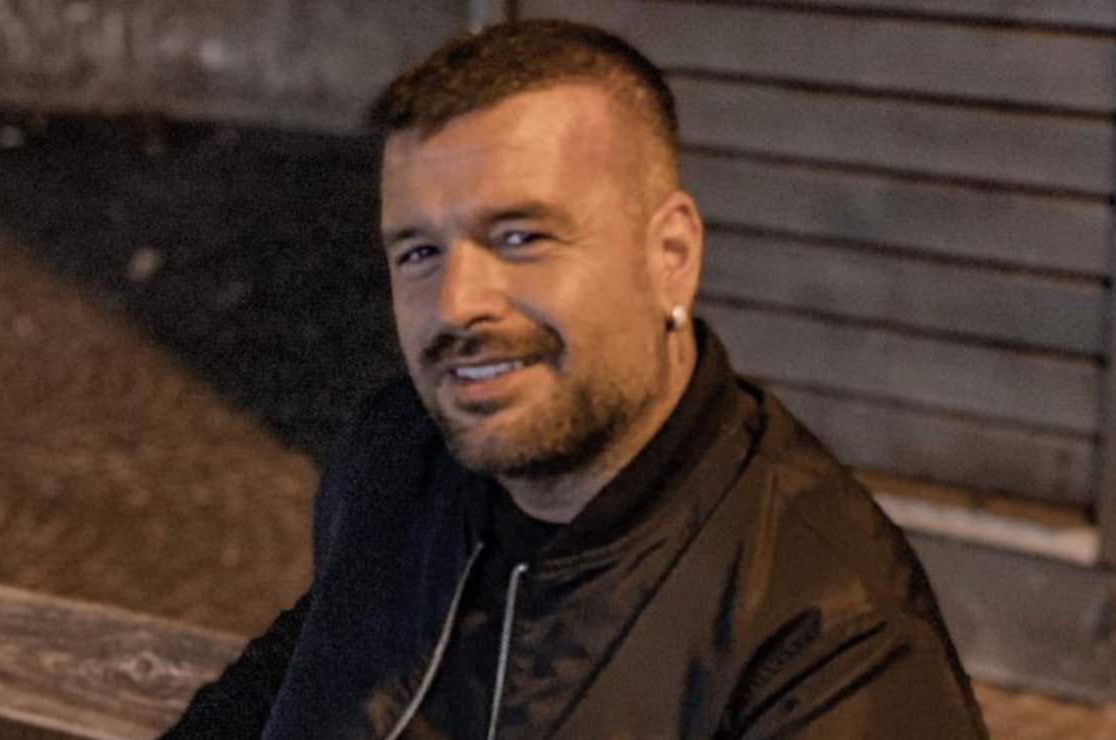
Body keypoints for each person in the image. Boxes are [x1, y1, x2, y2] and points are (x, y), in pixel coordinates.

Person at [163, 19, 988, 739]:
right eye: (418, 251)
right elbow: (310, 661)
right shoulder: (397, 455)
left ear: (670, 256)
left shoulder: (831, 637)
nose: (456, 304)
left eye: (520, 237)